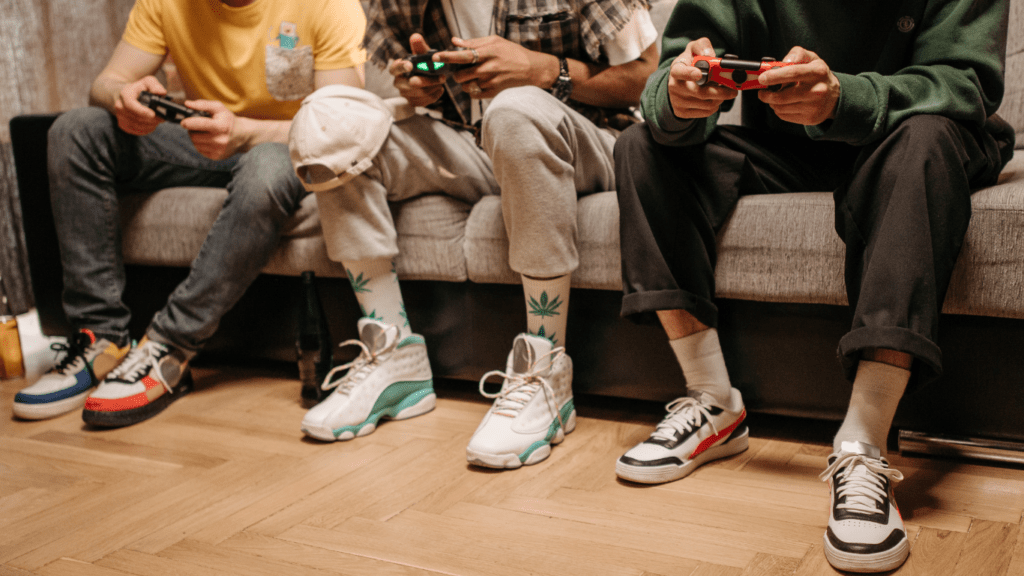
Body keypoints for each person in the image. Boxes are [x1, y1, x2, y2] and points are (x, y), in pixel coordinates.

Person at [612, 0, 1013, 572]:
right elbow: (674, 71)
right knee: (640, 146)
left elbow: (964, 83)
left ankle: (862, 445)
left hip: (914, 130)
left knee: (923, 142)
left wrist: (843, 98)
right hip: (794, 143)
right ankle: (714, 402)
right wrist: (677, 98)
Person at [295, 0, 658, 470]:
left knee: (514, 109)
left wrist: (545, 70)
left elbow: (650, 79)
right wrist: (416, 87)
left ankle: (544, 370)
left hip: (587, 138)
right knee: (331, 118)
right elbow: (407, 78)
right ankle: (395, 357)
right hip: (469, 141)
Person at [12, 0, 368, 427]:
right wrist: (123, 98)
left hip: (287, 144)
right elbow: (106, 83)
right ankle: (101, 338)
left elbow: (342, 122)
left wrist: (244, 132)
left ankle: (169, 346)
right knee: (77, 130)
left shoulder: (328, 4)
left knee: (265, 168)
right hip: (200, 140)